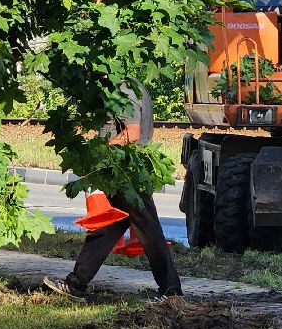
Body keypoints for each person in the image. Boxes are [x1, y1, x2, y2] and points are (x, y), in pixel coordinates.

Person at [44, 83, 182, 300]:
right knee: (108, 228)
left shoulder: (124, 89)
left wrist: (101, 149)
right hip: (123, 172)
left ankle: (171, 291)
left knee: (149, 231)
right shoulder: (128, 85)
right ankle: (76, 283)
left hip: (128, 173)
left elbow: (132, 133)